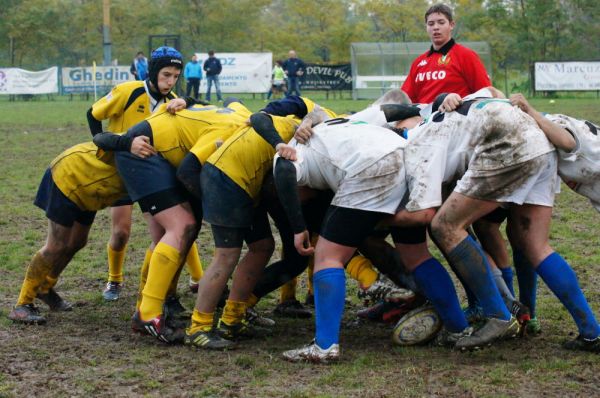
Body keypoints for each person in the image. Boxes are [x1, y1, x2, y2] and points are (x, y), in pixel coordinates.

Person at [392, 91, 600, 351]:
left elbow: (423, 211)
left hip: (510, 142)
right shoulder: (445, 116)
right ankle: (590, 331)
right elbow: (492, 92)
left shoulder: (419, 139)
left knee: (445, 227)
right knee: (534, 244)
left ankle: (498, 315)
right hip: (540, 143)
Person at [87, 46, 203, 302]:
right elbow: (93, 114)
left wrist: (188, 101)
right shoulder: (129, 91)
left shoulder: (172, 100)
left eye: (175, 76)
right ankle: (114, 280)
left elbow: (202, 110)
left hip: (152, 176)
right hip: (123, 172)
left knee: (174, 227)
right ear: (152, 72)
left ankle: (197, 279)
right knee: (121, 233)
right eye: (165, 75)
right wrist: (107, 145)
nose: (170, 81)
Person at [401, 4, 490, 104]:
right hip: (423, 118)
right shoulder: (418, 63)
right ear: (426, 27)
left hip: (456, 117)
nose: (436, 27)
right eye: (431, 24)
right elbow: (405, 100)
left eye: (441, 22)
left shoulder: (466, 56)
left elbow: (486, 94)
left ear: (451, 25)